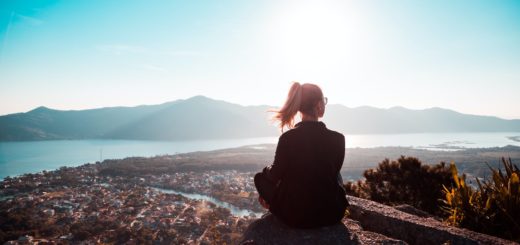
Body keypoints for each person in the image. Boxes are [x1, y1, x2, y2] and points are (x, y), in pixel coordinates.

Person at [254, 82, 348, 229]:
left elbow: (274, 175)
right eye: (324, 101)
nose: (325, 104)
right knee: (336, 175)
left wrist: (266, 173)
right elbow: (333, 173)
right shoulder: (338, 138)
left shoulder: (288, 138)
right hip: (332, 213)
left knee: (259, 178)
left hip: (293, 216)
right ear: (318, 105)